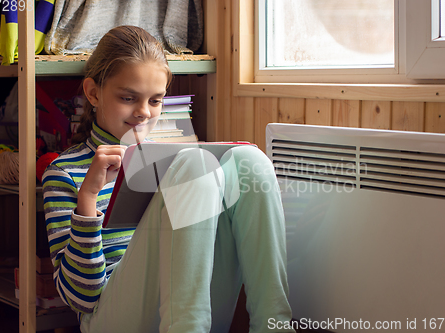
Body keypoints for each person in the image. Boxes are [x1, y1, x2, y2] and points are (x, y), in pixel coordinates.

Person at [42, 25, 295, 333]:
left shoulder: (170, 162)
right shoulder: (63, 172)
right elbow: (80, 298)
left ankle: (275, 327)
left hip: (181, 306)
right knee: (195, 164)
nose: (143, 113)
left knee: (249, 161)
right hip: (109, 318)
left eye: (155, 100)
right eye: (128, 98)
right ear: (93, 93)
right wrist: (87, 199)